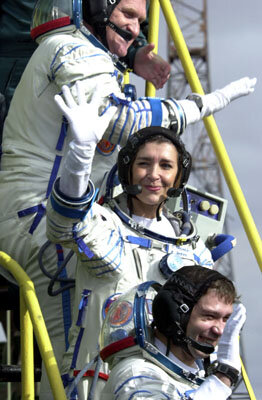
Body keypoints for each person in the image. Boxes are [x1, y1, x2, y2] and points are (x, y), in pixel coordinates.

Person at [0, 0, 255, 397]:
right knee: (93, 312)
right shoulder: (71, 48)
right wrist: (206, 103)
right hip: (36, 218)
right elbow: (119, 121)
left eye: (141, 19)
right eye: (128, 16)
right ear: (98, 10)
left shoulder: (92, 56)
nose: (136, 27)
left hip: (53, 210)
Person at [45, 81, 248, 399]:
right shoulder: (105, 225)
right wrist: (80, 155)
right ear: (127, 172)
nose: (155, 174)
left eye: (166, 166)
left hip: (173, 386)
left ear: (178, 178)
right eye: (144, 163)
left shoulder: (191, 246)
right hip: (97, 384)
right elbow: (64, 223)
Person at [100, 265, 246, 399]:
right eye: (209, 316)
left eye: (226, 319)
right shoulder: (136, 377)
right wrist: (224, 376)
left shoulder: (195, 377)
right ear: (172, 314)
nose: (219, 330)